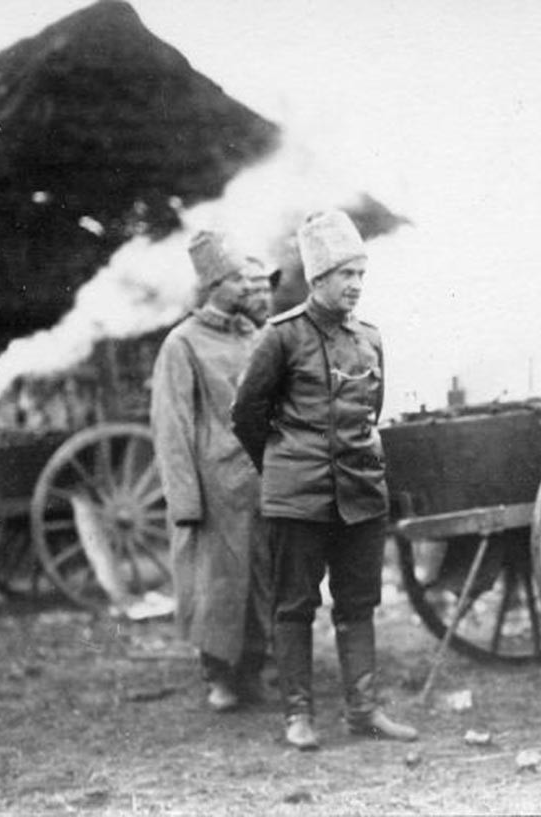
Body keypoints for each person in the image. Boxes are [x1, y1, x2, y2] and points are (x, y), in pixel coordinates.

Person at [232, 210, 417, 750]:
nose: (355, 285)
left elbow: (370, 412)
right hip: (298, 498)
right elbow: (247, 414)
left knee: (358, 604)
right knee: (295, 606)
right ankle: (298, 716)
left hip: (360, 494)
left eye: (360, 274)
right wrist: (282, 469)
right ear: (317, 280)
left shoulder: (370, 340)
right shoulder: (281, 338)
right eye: (344, 275)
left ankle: (363, 710)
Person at [149, 230, 274, 713]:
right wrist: (185, 502)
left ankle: (255, 671)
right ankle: (218, 676)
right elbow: (171, 427)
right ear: (212, 286)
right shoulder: (181, 345)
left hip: (262, 483)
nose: (247, 288)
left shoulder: (256, 337)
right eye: (235, 280)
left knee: (263, 584)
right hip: (214, 491)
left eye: (247, 279)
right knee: (217, 588)